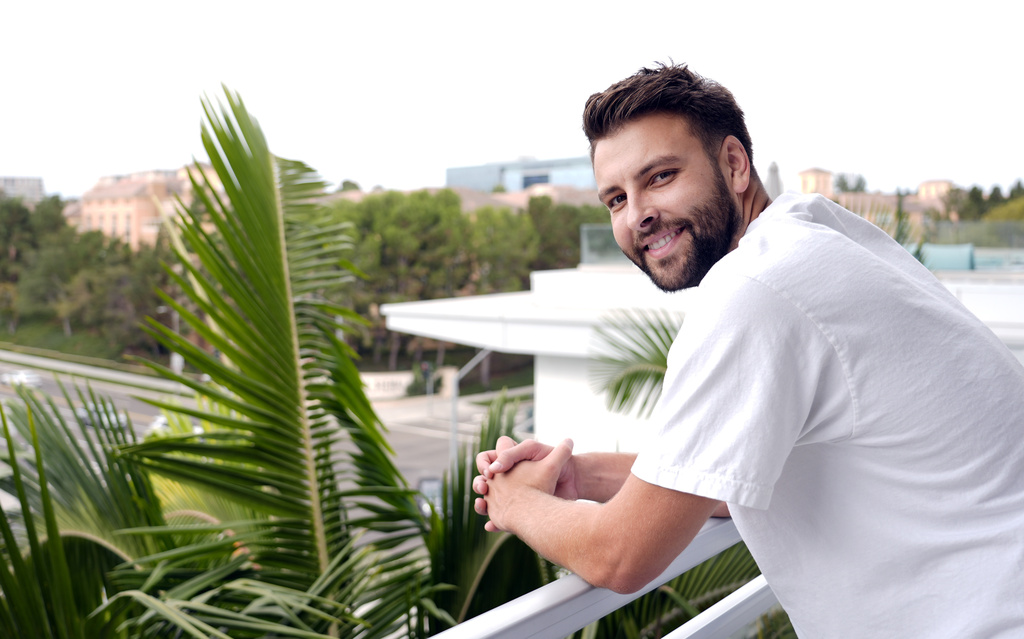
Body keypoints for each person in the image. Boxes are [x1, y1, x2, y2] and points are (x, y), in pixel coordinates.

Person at [472, 63, 1024, 637]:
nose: (637, 215)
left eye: (659, 176)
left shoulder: (754, 291)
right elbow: (736, 478)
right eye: (615, 199)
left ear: (734, 164)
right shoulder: (813, 233)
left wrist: (514, 503)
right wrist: (579, 477)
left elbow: (621, 557)